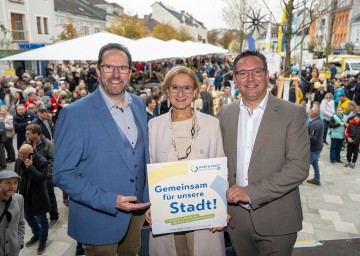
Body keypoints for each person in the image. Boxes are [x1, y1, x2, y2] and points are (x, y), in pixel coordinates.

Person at [53, 43, 150, 256]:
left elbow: (142, 157)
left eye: (122, 68)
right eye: (108, 67)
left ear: (130, 72)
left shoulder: (138, 104)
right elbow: (63, 173)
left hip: (136, 216)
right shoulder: (74, 114)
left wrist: (148, 198)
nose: (116, 74)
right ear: (98, 70)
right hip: (99, 218)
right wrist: (110, 201)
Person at [219, 51, 310, 255]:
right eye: (243, 73)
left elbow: (298, 168)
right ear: (234, 79)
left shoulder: (292, 113)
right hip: (236, 221)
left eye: (256, 71)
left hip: (277, 221)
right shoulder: (226, 113)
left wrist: (250, 192)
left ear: (267, 74)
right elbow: (220, 161)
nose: (250, 79)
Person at [146, 65, 226, 256]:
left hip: (203, 212)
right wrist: (151, 204)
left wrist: (220, 209)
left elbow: (219, 171)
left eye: (187, 88)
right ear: (166, 91)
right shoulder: (154, 126)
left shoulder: (211, 124)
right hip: (167, 213)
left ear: (195, 91)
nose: (180, 93)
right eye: (174, 87)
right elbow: (149, 171)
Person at [14, 144, 50, 255]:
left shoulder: (42, 162)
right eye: (19, 155)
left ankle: (43, 241)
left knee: (42, 220)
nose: (20, 158)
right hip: (24, 194)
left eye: (23, 156)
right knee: (27, 217)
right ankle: (37, 233)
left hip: (38, 196)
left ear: (31, 155)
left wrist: (30, 168)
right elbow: (16, 176)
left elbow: (42, 178)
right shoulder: (19, 160)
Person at [25, 124, 59, 229]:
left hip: (45, 177)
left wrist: (47, 174)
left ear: (36, 134)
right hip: (34, 175)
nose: (27, 135)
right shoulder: (27, 143)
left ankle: (54, 217)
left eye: (28, 134)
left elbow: (53, 160)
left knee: (50, 197)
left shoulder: (48, 144)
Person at [0, 170, 25, 256]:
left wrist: (20, 242)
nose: (12, 186)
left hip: (13, 250)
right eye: (8, 183)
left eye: (15, 183)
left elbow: (21, 223)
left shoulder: (19, 198)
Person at [307, 107, 324, 186]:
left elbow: (313, 138)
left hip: (313, 148)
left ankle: (298, 180)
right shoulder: (319, 121)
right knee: (315, 163)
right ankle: (317, 179)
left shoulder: (315, 124)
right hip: (318, 147)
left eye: (310, 112)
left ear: (314, 114)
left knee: (305, 165)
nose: (309, 113)